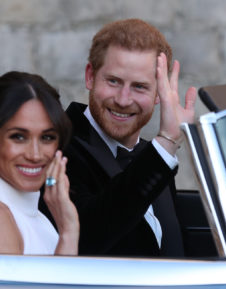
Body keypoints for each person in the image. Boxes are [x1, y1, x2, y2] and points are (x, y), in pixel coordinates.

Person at [41, 19, 196, 256]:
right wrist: (166, 143)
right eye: (113, 81)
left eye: (140, 87)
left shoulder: (151, 155)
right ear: (90, 76)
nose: (123, 100)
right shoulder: (55, 146)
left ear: (159, 94)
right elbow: (87, 238)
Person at [0, 71, 79, 255]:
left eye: (47, 137)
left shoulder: (34, 215)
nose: (35, 155)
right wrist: (69, 233)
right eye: (19, 137)